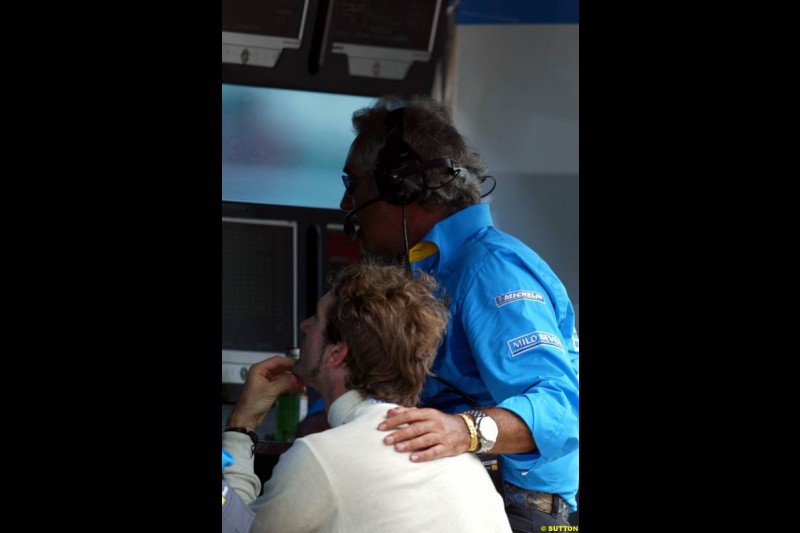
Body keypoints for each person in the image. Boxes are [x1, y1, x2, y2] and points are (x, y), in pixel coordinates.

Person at [337, 95, 579, 532]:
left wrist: (463, 431)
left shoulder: (491, 268)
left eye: (352, 183)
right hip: (463, 496)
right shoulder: (432, 265)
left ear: (400, 184)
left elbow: (561, 407)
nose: (345, 204)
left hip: (519, 512)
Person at [222, 263, 511, 533]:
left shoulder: (321, 456)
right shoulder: (468, 467)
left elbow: (237, 527)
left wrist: (241, 424)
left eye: (318, 319)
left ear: (336, 353)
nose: (305, 325)